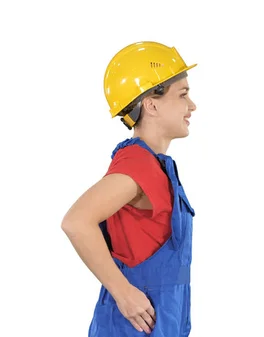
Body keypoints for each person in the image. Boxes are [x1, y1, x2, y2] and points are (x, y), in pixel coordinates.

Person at [61, 41, 198, 337]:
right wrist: (123, 293)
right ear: (151, 104)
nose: (192, 105)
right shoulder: (138, 164)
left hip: (162, 320)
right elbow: (76, 221)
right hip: (133, 326)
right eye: (183, 95)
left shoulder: (157, 165)